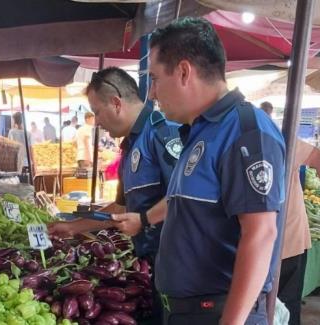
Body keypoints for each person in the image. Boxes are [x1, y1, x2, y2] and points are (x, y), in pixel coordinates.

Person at [114, 17, 286, 325]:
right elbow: (186, 203)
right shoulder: (199, 131)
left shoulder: (246, 131)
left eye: (154, 78)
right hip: (190, 311)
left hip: (219, 312)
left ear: (183, 72)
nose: (152, 94)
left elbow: (261, 233)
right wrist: (143, 219)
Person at [49, 67, 182, 324]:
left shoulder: (162, 134)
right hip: (156, 265)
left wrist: (144, 219)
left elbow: (185, 194)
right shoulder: (132, 145)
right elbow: (121, 209)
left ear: (117, 103)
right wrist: (73, 227)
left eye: (97, 111)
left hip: (179, 267)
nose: (96, 121)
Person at [277, 139, 320, 325]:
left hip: (289, 239)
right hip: (254, 243)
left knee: (287, 304)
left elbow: (317, 158)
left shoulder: (281, 137)